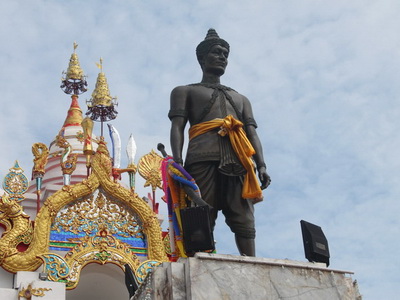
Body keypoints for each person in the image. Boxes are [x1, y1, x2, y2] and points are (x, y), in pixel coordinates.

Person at [169, 29, 271, 256]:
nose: (222, 57)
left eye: (225, 53)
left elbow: (252, 133)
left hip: (239, 157)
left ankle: (252, 263)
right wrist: (176, 162)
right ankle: (201, 259)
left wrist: (261, 164)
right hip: (201, 156)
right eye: (217, 52)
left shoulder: (241, 98)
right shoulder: (184, 91)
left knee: (243, 213)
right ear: (202, 58)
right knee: (202, 209)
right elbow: (178, 126)